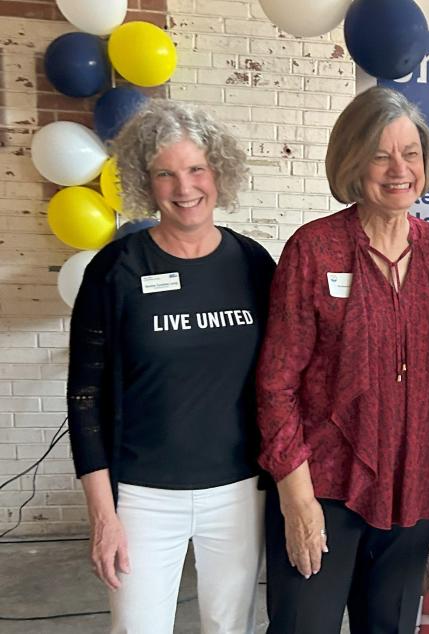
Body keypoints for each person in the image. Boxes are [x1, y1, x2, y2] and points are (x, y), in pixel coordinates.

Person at [256, 86, 429, 633]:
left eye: (410, 153)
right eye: (379, 153)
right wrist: (296, 499)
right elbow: (276, 385)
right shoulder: (314, 248)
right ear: (352, 159)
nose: (399, 168)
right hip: (324, 486)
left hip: (413, 484)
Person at [66, 99, 275, 633]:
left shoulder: (253, 265)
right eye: (165, 173)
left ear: (218, 171)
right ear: (144, 180)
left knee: (230, 627)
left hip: (236, 489)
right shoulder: (115, 269)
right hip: (141, 496)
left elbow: (283, 378)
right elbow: (84, 394)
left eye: (196, 169)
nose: (184, 188)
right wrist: (102, 513)